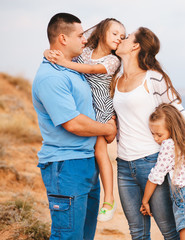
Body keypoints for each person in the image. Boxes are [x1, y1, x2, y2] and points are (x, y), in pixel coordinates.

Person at [111, 27, 185, 240]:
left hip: (153, 161)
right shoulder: (115, 79)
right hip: (124, 165)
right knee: (137, 232)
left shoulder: (153, 78)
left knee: (169, 231)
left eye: (126, 38)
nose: (121, 40)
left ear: (135, 46)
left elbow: (179, 113)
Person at [32, 13, 117, 239]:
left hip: (86, 163)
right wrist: (108, 129)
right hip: (66, 167)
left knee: (83, 236)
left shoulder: (72, 68)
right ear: (62, 38)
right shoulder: (51, 77)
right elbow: (73, 123)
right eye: (79, 35)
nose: (84, 40)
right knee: (68, 236)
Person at [44, 18, 126, 222]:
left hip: (101, 107)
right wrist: (49, 53)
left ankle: (109, 198)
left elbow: (91, 70)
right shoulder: (85, 51)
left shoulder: (112, 60)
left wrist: (63, 62)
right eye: (115, 33)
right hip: (87, 106)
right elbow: (77, 38)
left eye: (122, 37)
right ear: (102, 32)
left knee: (100, 152)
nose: (119, 38)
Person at [140, 103, 185, 240]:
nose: (155, 139)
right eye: (152, 134)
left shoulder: (168, 145)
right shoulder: (184, 145)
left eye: (159, 135)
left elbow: (156, 176)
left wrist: (145, 200)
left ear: (171, 129)